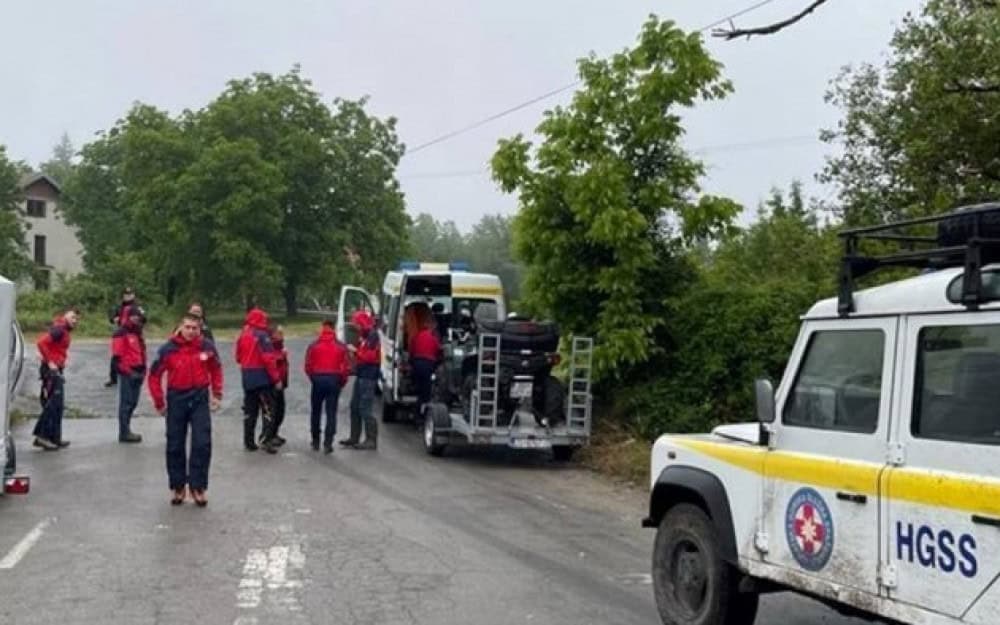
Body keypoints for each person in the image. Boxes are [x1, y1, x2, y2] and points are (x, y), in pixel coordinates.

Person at [148, 314, 223, 506]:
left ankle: (197, 487)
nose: (191, 332)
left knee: (202, 443)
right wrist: (159, 401)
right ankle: (178, 486)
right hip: (176, 398)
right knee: (174, 444)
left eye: (194, 328)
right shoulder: (168, 348)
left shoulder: (207, 346)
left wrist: (217, 393)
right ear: (180, 327)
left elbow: (216, 369)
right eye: (187, 327)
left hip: (199, 397)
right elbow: (154, 375)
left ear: (200, 329)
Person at [235, 307, 282, 453]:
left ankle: (248, 441)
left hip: (247, 376)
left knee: (250, 410)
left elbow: (237, 356)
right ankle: (265, 440)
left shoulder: (243, 335)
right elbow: (268, 359)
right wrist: (276, 378)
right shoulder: (262, 336)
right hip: (261, 377)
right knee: (268, 409)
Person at [33, 308, 80, 450]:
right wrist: (50, 362)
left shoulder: (63, 330)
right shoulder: (59, 329)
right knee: (53, 404)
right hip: (51, 371)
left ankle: (55, 437)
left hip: (57, 369)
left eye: (77, 319)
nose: (75, 321)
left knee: (58, 406)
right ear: (65, 316)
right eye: (72, 317)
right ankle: (42, 437)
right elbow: (41, 343)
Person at [304, 320, 349, 454]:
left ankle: (315, 440)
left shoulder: (313, 345)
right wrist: (341, 382)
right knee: (331, 412)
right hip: (333, 379)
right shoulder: (341, 346)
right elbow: (345, 368)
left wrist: (313, 378)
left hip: (318, 378)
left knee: (316, 411)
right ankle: (328, 442)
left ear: (322, 328)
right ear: (333, 329)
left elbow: (307, 366)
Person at [342, 310, 380, 450]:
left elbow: (370, 357)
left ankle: (371, 439)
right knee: (354, 406)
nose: (354, 326)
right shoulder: (364, 336)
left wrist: (355, 351)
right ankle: (354, 437)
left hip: (368, 376)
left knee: (365, 408)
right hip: (362, 375)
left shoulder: (372, 336)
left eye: (356, 323)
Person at [111, 304, 147, 443]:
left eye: (138, 317)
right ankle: (124, 432)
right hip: (128, 372)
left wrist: (144, 369)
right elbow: (117, 359)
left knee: (133, 402)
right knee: (126, 403)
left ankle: (127, 429)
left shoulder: (137, 333)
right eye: (134, 316)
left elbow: (142, 353)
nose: (137, 319)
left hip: (138, 371)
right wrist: (128, 372)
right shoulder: (121, 333)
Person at [407, 303, 441, 415]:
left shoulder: (418, 335)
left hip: (417, 364)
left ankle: (416, 408)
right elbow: (438, 351)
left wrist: (411, 363)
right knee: (425, 393)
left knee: (419, 387)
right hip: (427, 365)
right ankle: (420, 414)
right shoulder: (433, 337)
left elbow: (411, 350)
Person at [105, 287, 136, 387]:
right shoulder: (118, 307)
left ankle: (132, 375)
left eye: (130, 294)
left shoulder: (137, 307)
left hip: (132, 335)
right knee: (116, 356)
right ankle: (113, 378)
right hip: (120, 335)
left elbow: (144, 319)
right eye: (126, 295)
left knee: (132, 356)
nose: (128, 296)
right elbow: (111, 318)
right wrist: (114, 319)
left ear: (133, 295)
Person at [266, 324, 289, 448]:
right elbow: (271, 362)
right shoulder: (271, 346)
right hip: (274, 383)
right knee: (274, 411)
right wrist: (282, 355)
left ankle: (274, 433)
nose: (282, 336)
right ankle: (269, 436)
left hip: (281, 382)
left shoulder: (280, 346)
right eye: (280, 333)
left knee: (280, 410)